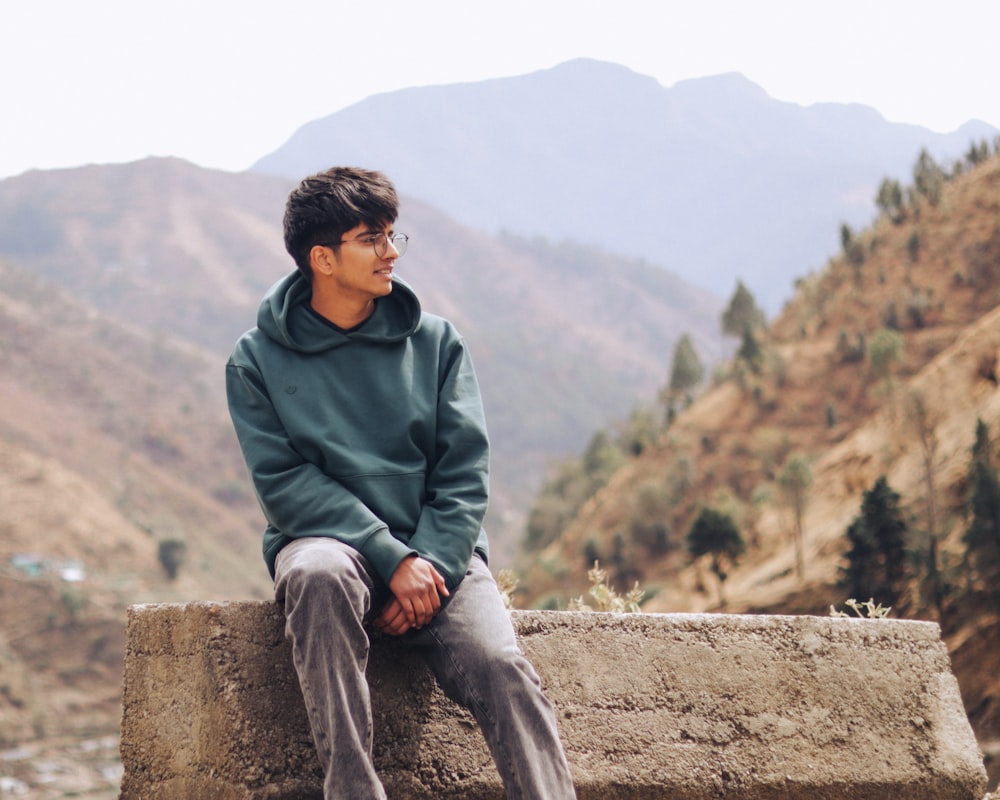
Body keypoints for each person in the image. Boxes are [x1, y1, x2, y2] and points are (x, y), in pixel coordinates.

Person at [225, 166, 577, 800]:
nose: (392, 252)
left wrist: (429, 564)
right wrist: (392, 559)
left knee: (501, 666)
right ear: (322, 259)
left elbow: (464, 474)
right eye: (372, 238)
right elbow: (285, 485)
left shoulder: (437, 343)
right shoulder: (255, 360)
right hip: (329, 541)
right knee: (315, 573)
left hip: (440, 551)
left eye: (393, 235)